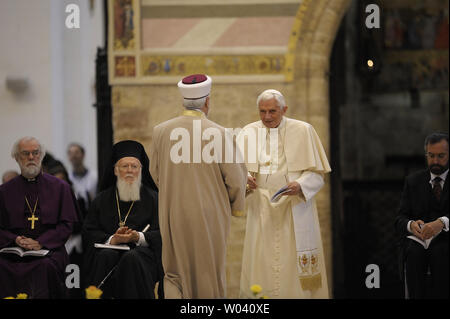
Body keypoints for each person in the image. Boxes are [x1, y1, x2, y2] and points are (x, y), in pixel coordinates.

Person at [150, 74, 247, 298]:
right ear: (207, 102)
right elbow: (234, 179)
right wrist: (236, 205)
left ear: (183, 100)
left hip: (172, 212)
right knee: (208, 272)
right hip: (209, 214)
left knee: (174, 273)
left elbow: (155, 174)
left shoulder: (161, 131)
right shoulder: (220, 133)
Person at [237, 89, 331, 298]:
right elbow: (235, 176)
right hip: (261, 210)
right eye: (262, 112)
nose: (267, 117)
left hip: (294, 208)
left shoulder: (304, 130)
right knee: (261, 263)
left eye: (272, 111)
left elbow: (317, 176)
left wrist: (301, 185)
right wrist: (244, 181)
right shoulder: (247, 133)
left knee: (292, 267)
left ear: (284, 109)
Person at [82, 140, 163, 299]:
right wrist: (112, 239)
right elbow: (88, 232)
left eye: (134, 166)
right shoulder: (101, 200)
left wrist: (138, 237)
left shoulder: (155, 199)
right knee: (106, 255)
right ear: (115, 171)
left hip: (142, 257)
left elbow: (164, 233)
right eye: (124, 166)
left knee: (131, 258)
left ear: (141, 170)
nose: (130, 171)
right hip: (108, 253)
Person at [0, 136, 79, 298]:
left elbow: (67, 224)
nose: (31, 157)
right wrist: (15, 239)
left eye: (35, 153)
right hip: (12, 251)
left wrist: (40, 242)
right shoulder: (4, 191)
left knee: (44, 266)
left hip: (50, 250)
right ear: (16, 157)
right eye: (25, 153)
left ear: (41, 156)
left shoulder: (60, 188)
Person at [395, 132, 449, 299]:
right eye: (431, 156)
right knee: (413, 253)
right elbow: (399, 219)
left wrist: (442, 222)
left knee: (441, 253)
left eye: (441, 156)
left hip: (447, 240)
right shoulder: (413, 181)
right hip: (419, 242)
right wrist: (411, 225)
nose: (435, 161)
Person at [67, 143, 98, 208]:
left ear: (83, 155)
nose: (73, 156)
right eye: (70, 153)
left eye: (76, 152)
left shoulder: (94, 176)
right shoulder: (67, 178)